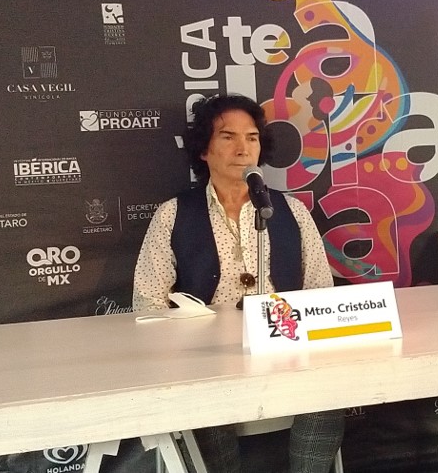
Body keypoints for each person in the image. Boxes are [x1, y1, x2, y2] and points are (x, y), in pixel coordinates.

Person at [133, 94, 344, 473]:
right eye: (228, 137)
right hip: (208, 361)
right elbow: (148, 305)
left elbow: (320, 293)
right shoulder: (173, 215)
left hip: (286, 351)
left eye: (252, 138)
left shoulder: (291, 211)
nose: (243, 148)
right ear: (204, 149)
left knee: (329, 391)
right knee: (203, 405)